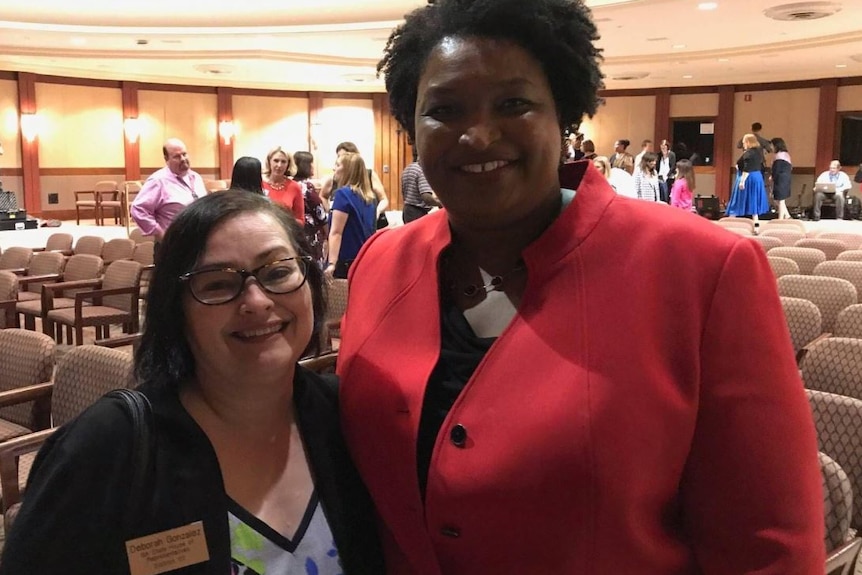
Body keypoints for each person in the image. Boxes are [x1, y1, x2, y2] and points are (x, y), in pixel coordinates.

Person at [337, 0, 825, 572]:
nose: (478, 134)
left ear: (564, 114)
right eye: (444, 110)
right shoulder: (379, 263)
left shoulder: (702, 270)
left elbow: (769, 544)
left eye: (514, 103)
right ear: (411, 128)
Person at [0, 190, 384, 574]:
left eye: (278, 272)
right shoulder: (108, 448)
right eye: (217, 284)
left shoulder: (347, 418)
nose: (257, 301)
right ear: (176, 309)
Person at [130, 138, 206, 243]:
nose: (183, 159)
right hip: (172, 245)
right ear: (166, 159)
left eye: (184, 154)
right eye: (177, 156)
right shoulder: (158, 181)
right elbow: (138, 209)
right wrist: (159, 233)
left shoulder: (196, 177)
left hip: (197, 243)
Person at [325, 152, 377, 279]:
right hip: (364, 257)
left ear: (347, 170)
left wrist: (332, 263)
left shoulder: (343, 194)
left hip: (345, 260)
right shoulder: (369, 198)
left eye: (337, 165)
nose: (334, 169)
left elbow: (336, 232)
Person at [320, 142, 389, 218]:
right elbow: (323, 196)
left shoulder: (369, 175)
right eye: (338, 156)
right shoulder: (334, 178)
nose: (341, 159)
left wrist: (377, 212)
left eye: (345, 156)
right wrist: (330, 212)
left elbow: (384, 199)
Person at [294, 151, 329, 270]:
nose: (313, 167)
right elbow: (319, 213)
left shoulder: (289, 184)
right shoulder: (306, 186)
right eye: (311, 164)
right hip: (309, 232)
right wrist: (328, 234)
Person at [726, 133, 769, 228]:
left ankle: (730, 221)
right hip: (757, 177)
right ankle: (756, 223)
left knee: (738, 200)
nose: (743, 144)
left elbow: (747, 168)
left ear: (748, 142)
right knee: (753, 200)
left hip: (747, 177)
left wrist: (742, 181)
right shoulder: (759, 152)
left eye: (744, 142)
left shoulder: (748, 153)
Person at [263, 146, 304, 223]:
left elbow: (300, 220)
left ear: (288, 164)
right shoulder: (260, 184)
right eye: (276, 160)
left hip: (286, 232)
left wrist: (284, 222)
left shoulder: (294, 187)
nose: (279, 165)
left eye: (283, 162)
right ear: (269, 161)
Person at [401, 155, 441, 223]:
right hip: (417, 212)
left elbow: (403, 191)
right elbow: (426, 198)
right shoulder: (422, 172)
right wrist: (441, 204)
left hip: (407, 210)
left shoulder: (408, 168)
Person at [770, 137, 793, 220]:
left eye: (772, 145)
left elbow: (777, 169)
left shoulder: (780, 156)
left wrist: (772, 176)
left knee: (780, 200)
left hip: (780, 179)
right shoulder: (786, 155)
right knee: (779, 199)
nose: (771, 147)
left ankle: (780, 219)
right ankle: (787, 216)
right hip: (785, 178)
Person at [657, 138, 676, 203]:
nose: (663, 148)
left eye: (664, 146)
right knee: (661, 193)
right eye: (662, 147)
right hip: (660, 176)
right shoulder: (659, 155)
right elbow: (657, 166)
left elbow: (673, 166)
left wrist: (667, 175)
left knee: (667, 193)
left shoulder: (671, 154)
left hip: (669, 176)